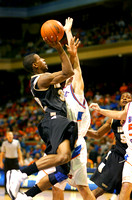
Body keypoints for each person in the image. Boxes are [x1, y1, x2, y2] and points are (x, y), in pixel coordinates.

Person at [14, 17, 96, 200]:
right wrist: (64, 42)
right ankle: (25, 190)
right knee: (58, 182)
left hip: (74, 138)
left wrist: (67, 34)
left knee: (66, 179)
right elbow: (66, 69)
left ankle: (26, 193)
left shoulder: (77, 90)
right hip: (61, 131)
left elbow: (74, 68)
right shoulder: (57, 92)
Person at [6, 29, 78, 200]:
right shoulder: (40, 79)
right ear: (35, 65)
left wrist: (69, 51)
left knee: (63, 163)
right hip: (54, 119)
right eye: (41, 58)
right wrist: (60, 49)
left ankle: (27, 196)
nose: (44, 60)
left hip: (58, 120)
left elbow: (69, 71)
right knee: (62, 158)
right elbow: (68, 72)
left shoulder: (46, 78)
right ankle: (20, 174)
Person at [89, 81, 132, 200]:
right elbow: (98, 134)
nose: (125, 99)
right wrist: (82, 130)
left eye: (128, 97)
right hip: (122, 155)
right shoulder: (115, 117)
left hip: (130, 153)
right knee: (104, 189)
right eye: (123, 97)